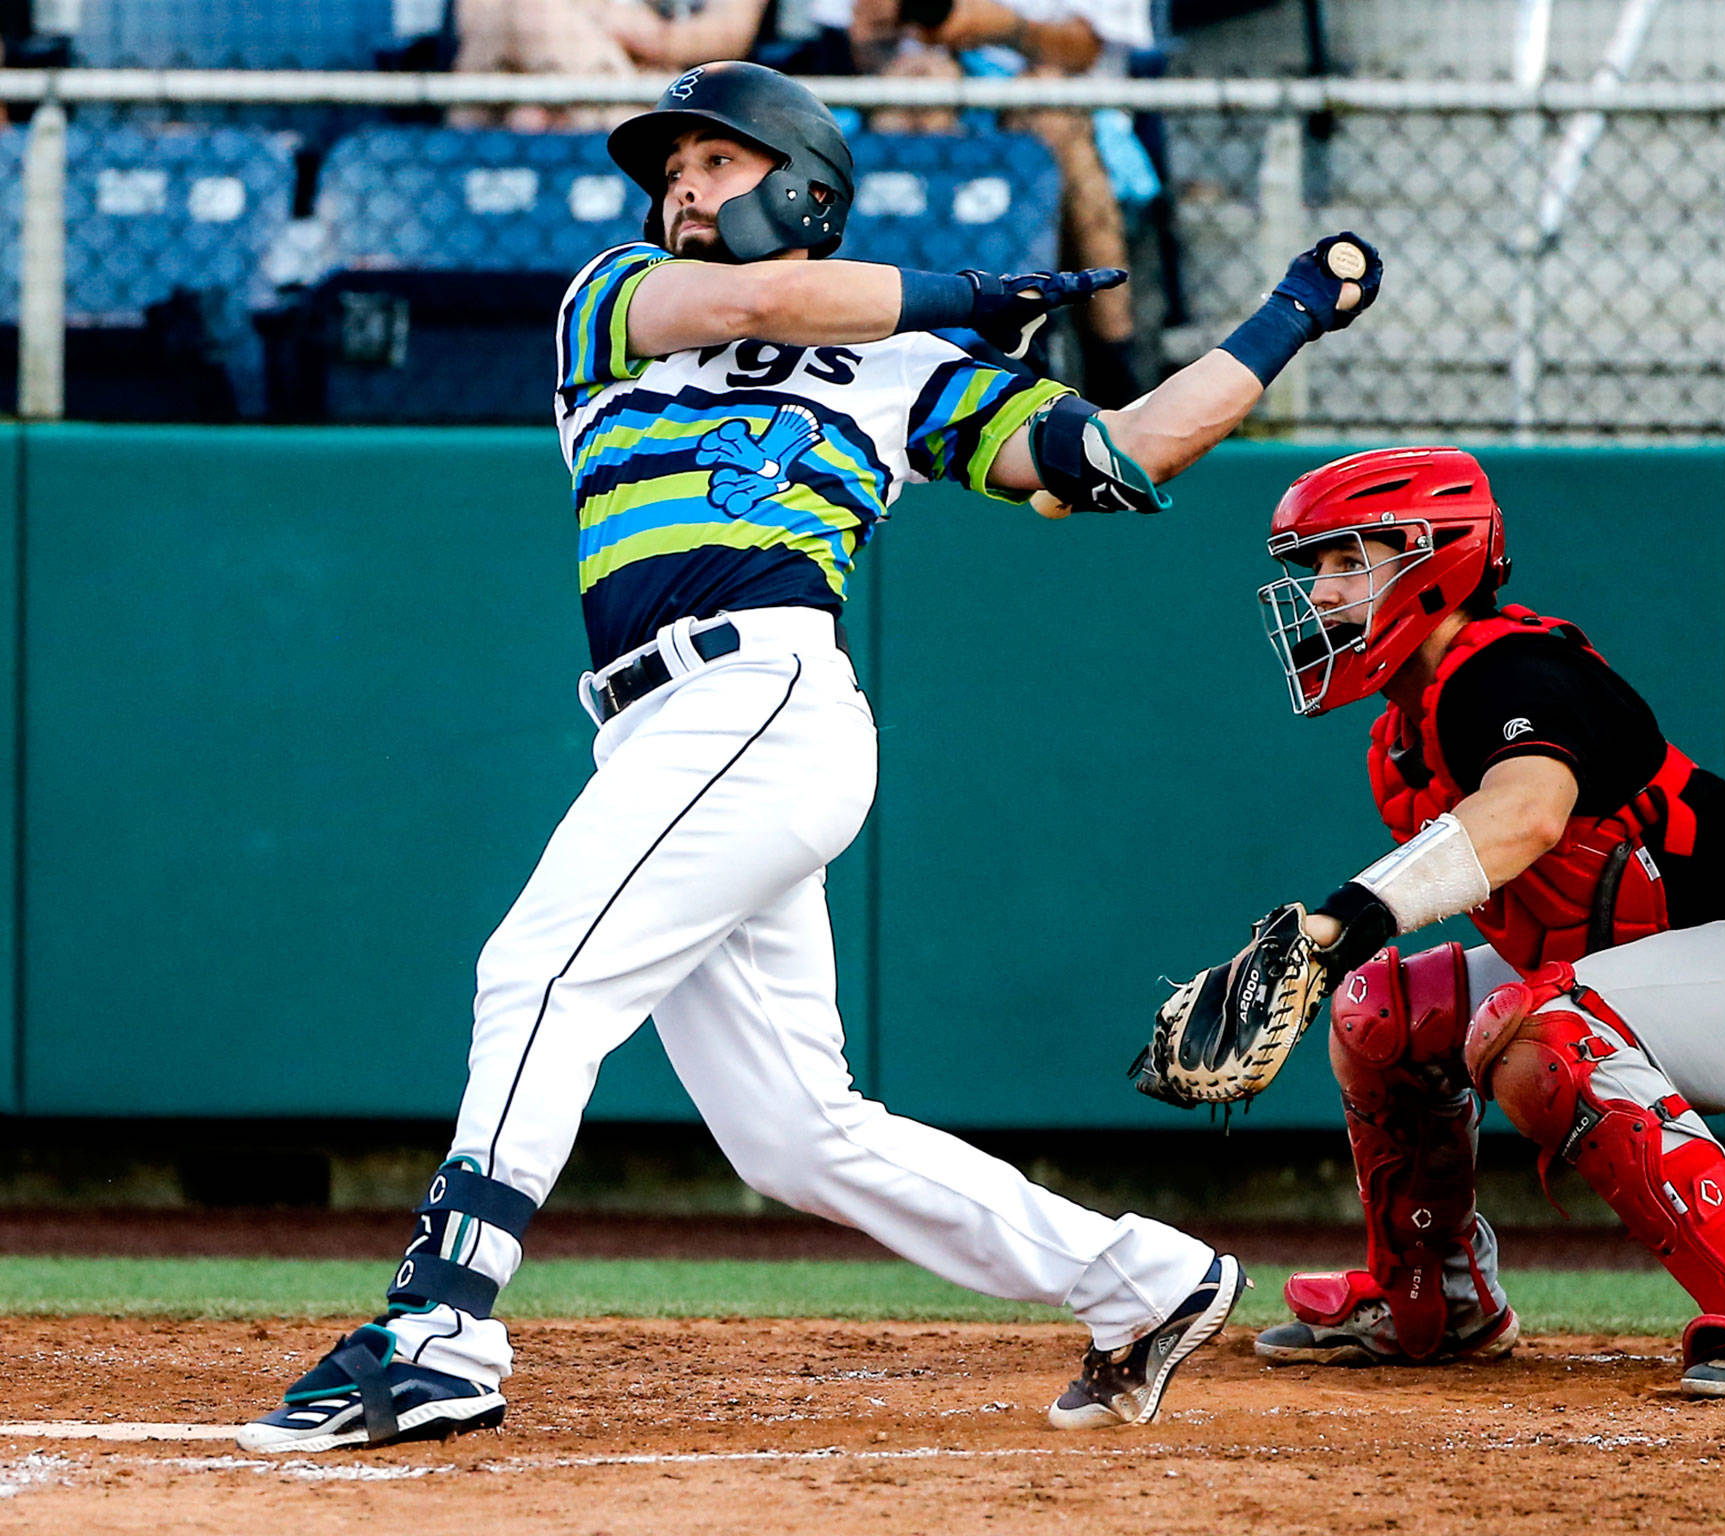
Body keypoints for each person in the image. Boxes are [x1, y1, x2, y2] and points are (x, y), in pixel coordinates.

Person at [235, 61, 1380, 1452]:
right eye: (672, 175)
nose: (682, 192)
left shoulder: (907, 372)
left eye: (713, 166)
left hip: (760, 701)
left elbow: (1128, 456)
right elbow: (757, 303)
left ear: (801, 188)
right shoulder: (617, 303)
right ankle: (1145, 1281)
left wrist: (1288, 316)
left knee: (538, 968)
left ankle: (440, 1326)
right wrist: (968, 293)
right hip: (658, 730)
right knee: (796, 1135)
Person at [1151, 446, 1725, 1397]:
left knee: (1541, 1033)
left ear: (1432, 559)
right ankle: (1436, 1301)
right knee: (1379, 1013)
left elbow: (1529, 811)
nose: (1324, 592)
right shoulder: (1409, 723)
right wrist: (1345, 952)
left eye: (1350, 562)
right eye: (1319, 568)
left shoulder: (1511, 667)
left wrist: (1342, 921)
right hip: (1676, 959)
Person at [817, 0, 1154, 404]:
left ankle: (1112, 375)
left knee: (1046, 100)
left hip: (1028, 106)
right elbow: (850, 49)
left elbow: (1086, 50)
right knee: (913, 93)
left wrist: (997, 27)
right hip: (896, 100)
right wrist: (884, 33)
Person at [450, 0, 775, 131]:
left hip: (667, 84)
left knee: (530, 117)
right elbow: (479, 23)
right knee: (534, 12)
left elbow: (731, 34)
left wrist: (653, 38)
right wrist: (597, 13)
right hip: (516, 79)